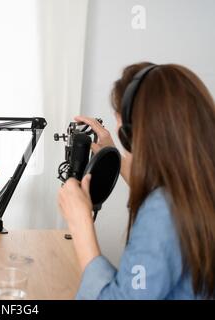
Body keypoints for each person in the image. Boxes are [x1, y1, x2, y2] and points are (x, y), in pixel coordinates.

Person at [58, 62, 215, 299]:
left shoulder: (162, 212)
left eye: (119, 118)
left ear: (132, 132)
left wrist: (81, 224)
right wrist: (115, 158)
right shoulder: (199, 189)